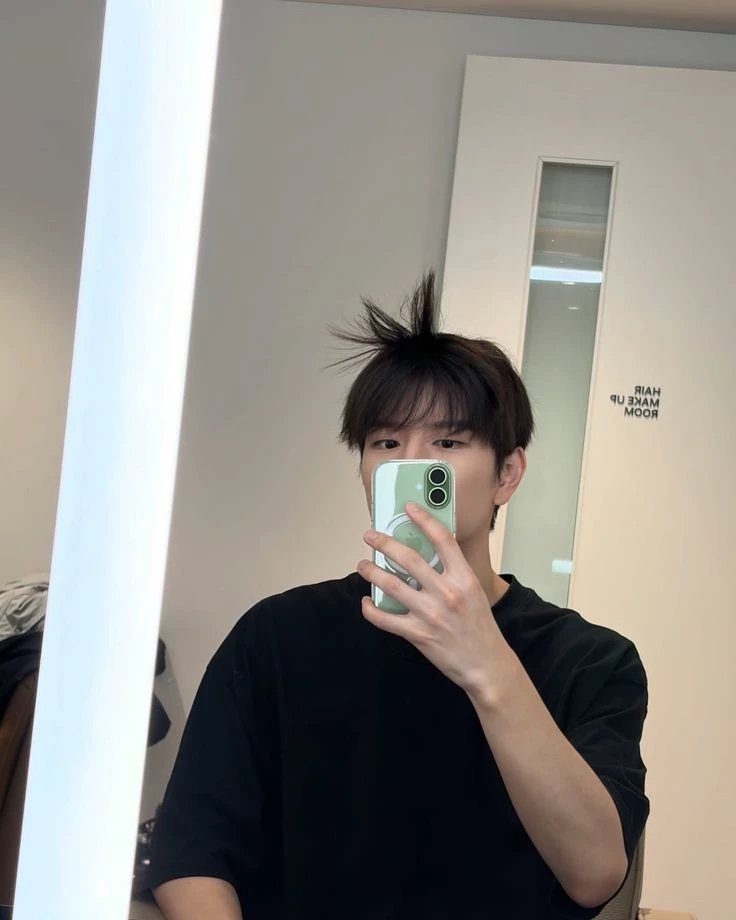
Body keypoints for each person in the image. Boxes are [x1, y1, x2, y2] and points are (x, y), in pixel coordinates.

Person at [142, 272, 649, 919]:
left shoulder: (592, 661)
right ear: (362, 467)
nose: (409, 463)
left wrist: (487, 665)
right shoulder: (276, 638)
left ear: (508, 473)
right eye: (386, 442)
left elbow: (596, 874)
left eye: (447, 442)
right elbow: (191, 852)